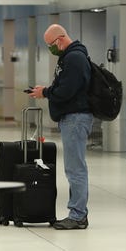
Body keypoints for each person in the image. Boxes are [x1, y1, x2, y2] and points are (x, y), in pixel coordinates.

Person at [28, 24, 93, 230]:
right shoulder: (69, 57)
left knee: (75, 169)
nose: (50, 49)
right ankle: (77, 213)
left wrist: (46, 93)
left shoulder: (74, 58)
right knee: (74, 168)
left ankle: (78, 215)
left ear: (60, 39)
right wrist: (45, 90)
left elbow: (66, 91)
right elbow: (63, 86)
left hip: (75, 118)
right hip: (71, 118)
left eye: (50, 45)